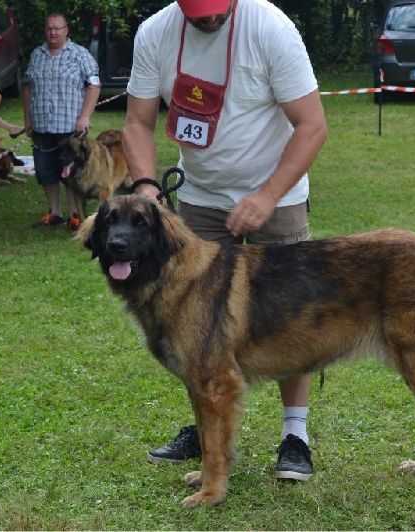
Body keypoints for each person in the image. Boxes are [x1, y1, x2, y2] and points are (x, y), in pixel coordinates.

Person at [123, 0, 327, 480]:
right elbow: (137, 123)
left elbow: (312, 125)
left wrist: (267, 195)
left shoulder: (270, 26)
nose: (210, 18)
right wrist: (147, 186)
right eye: (199, 12)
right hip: (198, 203)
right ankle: (206, 429)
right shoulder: (155, 34)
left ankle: (294, 434)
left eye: (217, 10)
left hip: (275, 200)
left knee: (290, 321)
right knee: (189, 324)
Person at [22, 13, 101, 230]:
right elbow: (27, 86)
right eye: (49, 29)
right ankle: (54, 212)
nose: (53, 33)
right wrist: (28, 118)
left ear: (66, 30)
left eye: (57, 28)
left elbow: (94, 85)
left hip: (70, 127)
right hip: (42, 125)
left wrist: (84, 116)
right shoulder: (36, 55)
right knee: (45, 171)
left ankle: (75, 215)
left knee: (72, 172)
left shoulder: (79, 54)